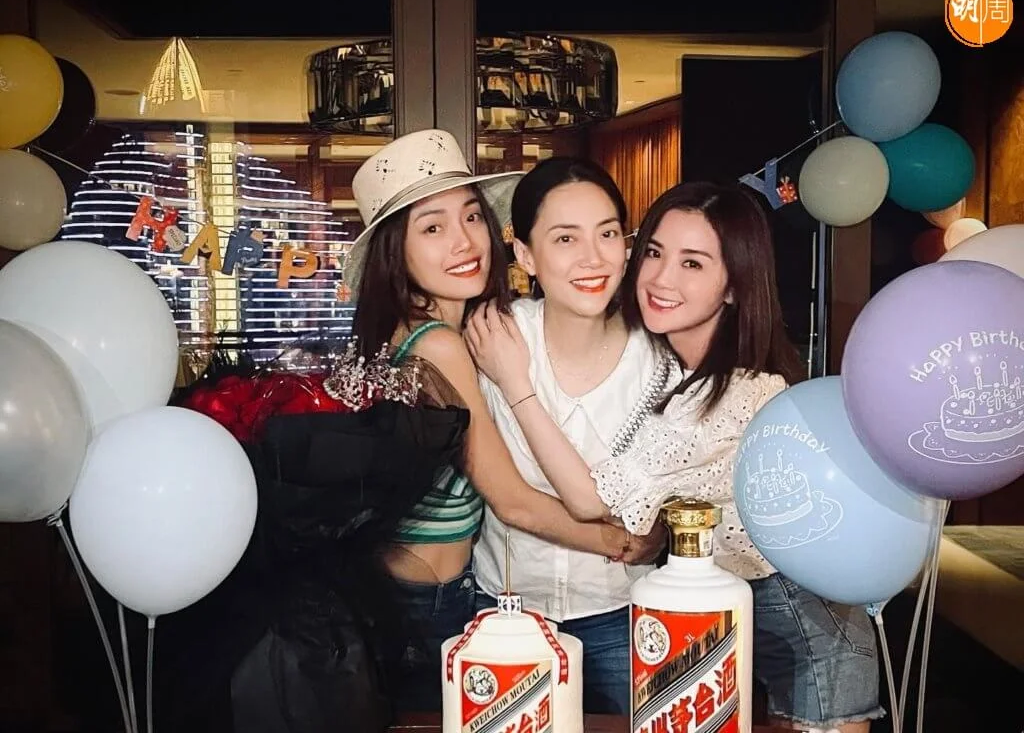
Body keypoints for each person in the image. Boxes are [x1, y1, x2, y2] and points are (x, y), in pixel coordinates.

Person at [466, 180, 883, 732]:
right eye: (655, 254)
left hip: (812, 628)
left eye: (693, 264)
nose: (662, 278)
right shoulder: (670, 366)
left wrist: (515, 384)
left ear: (733, 287)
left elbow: (591, 500)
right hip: (733, 611)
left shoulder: (732, 393)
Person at [342, 130, 662, 713]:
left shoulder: (460, 333)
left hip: (442, 593)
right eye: (432, 228)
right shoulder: (440, 344)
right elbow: (511, 501)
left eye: (471, 217)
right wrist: (621, 541)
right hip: (432, 602)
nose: (464, 241)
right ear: (396, 251)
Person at [463, 157, 678, 715]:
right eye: (565, 238)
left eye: (607, 233)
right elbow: (506, 495)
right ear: (526, 254)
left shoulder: (661, 364)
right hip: (507, 612)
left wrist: (652, 531)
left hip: (623, 612)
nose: (592, 258)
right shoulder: (492, 340)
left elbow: (657, 507)